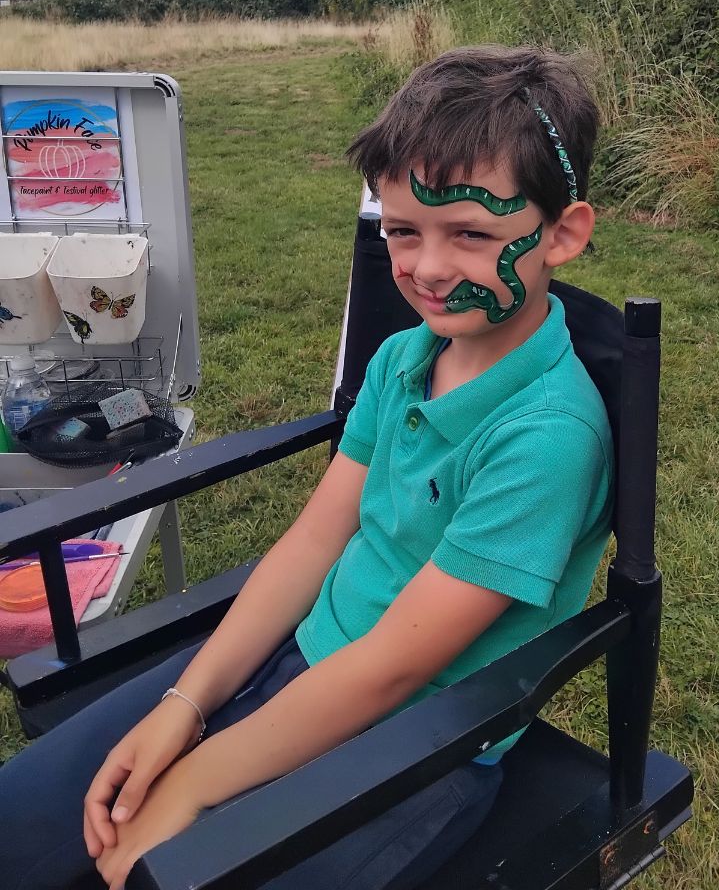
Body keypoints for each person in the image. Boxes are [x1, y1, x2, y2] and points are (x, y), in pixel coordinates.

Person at [0, 45, 614, 890]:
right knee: (26, 819)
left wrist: (195, 782)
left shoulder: (548, 438)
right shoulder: (407, 355)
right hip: (295, 659)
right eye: (403, 230)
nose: (427, 269)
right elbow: (315, 538)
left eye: (472, 234)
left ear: (562, 235)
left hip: (417, 747)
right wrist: (186, 704)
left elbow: (396, 670)